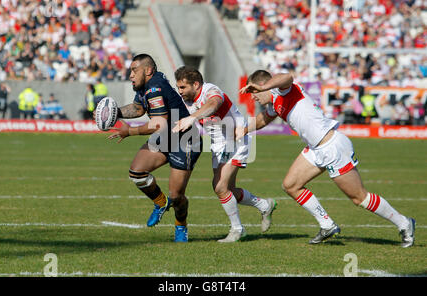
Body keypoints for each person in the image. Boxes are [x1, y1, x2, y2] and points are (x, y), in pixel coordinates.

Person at [237, 70, 415, 248]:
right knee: (291, 185)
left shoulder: (284, 90)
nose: (253, 98)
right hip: (315, 149)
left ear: (263, 86)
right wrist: (242, 130)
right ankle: (327, 225)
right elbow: (262, 120)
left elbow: (287, 76)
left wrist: (263, 86)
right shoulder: (275, 103)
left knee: (359, 197)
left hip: (332, 147)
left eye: (254, 93)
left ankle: (404, 223)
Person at [173, 66, 276, 243]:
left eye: (183, 87)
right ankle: (265, 205)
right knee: (228, 190)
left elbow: (214, 104)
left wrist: (193, 117)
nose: (179, 91)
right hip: (218, 144)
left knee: (219, 186)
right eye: (178, 87)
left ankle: (237, 229)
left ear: (196, 84)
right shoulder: (186, 100)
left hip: (235, 138)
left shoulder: (211, 91)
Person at [106, 54, 203, 242]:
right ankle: (160, 202)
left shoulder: (155, 88)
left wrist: (130, 132)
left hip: (184, 140)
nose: (131, 75)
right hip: (165, 137)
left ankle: (181, 225)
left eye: (134, 70)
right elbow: (137, 109)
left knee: (177, 195)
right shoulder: (145, 86)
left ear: (148, 70)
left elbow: (159, 124)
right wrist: (114, 113)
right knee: (137, 172)